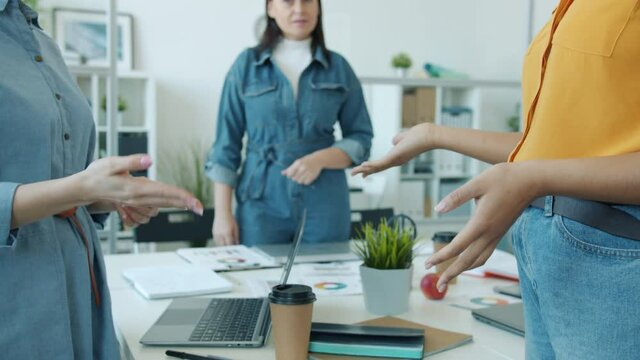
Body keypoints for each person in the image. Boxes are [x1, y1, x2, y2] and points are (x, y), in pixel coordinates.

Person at [352, 0, 640, 358]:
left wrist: (530, 178)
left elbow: (535, 168)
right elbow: (540, 150)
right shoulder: (568, 9)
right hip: (544, 254)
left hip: (613, 256)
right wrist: (433, 134)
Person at [0, 1, 204, 358]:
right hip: (17, 300)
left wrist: (105, 196)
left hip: (78, 288)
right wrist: (82, 188)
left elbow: (58, 174)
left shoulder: (42, 42)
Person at [206, 0, 373, 247]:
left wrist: (320, 159)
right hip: (260, 202)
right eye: (288, 1)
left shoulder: (339, 67)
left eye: (307, 1)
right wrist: (222, 214)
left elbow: (361, 138)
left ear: (318, 7)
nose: (299, 9)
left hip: (325, 202)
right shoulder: (246, 66)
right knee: (260, 282)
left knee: (325, 281)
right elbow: (225, 145)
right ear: (271, 8)